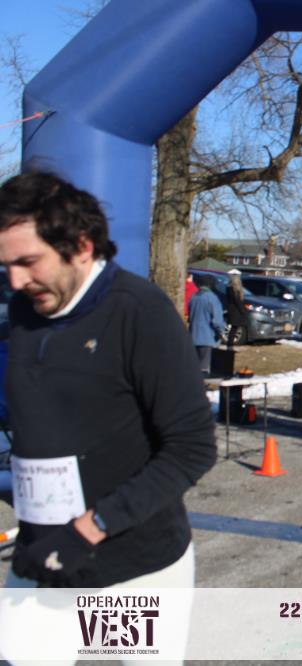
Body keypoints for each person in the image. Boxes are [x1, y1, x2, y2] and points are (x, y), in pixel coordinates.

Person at [0, 173, 216, 594]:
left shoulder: (140, 312)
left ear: (82, 246)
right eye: (6, 266)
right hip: (40, 551)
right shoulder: (26, 311)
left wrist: (90, 528)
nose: (15, 282)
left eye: (28, 262)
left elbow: (192, 448)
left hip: (133, 569)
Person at [188, 274, 226, 374]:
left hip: (192, 337)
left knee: (193, 368)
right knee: (204, 369)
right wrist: (221, 331)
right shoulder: (212, 298)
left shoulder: (194, 297)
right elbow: (217, 321)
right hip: (207, 339)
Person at [225, 269, 249, 348]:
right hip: (236, 311)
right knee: (234, 328)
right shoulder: (235, 290)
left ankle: (230, 342)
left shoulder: (229, 289)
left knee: (234, 328)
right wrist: (243, 311)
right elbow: (238, 302)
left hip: (232, 310)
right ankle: (230, 342)